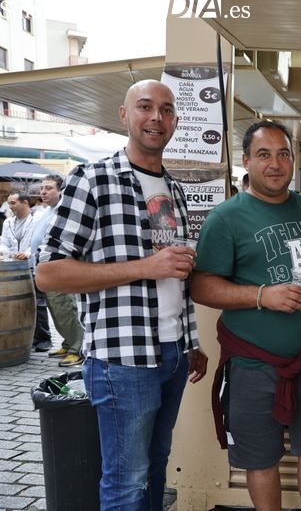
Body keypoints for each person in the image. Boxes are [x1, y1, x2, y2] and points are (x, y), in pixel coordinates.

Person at [36, 79, 208, 511]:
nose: (156, 117)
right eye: (145, 107)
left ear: (175, 121)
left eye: (166, 110)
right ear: (124, 115)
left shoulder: (173, 189)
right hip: (121, 359)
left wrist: (190, 342)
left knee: (155, 470)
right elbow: (48, 273)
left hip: (172, 354)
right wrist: (145, 267)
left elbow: (175, 275)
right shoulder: (93, 179)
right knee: (126, 481)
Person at [190, 120, 301, 511]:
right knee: (260, 459)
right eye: (264, 154)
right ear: (246, 161)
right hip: (253, 365)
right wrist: (262, 296)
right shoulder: (226, 218)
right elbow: (201, 286)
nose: (275, 163)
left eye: (283, 154)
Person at [29, 174, 86, 367]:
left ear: (60, 191)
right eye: (42, 188)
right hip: (45, 267)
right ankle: (68, 342)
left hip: (58, 267)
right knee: (56, 310)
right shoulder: (48, 210)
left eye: (49, 188)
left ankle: (78, 349)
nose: (43, 192)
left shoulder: (64, 210)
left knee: (65, 308)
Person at [0, 192, 52, 351]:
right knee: (20, 305)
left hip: (32, 266)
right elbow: (3, 241)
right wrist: (5, 252)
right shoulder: (8, 222)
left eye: (13, 203)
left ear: (25, 203)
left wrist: (28, 253)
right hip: (13, 269)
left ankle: (44, 338)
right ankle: (27, 337)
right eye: (9, 203)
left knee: (38, 303)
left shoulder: (38, 220)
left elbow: (41, 241)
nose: (10, 207)